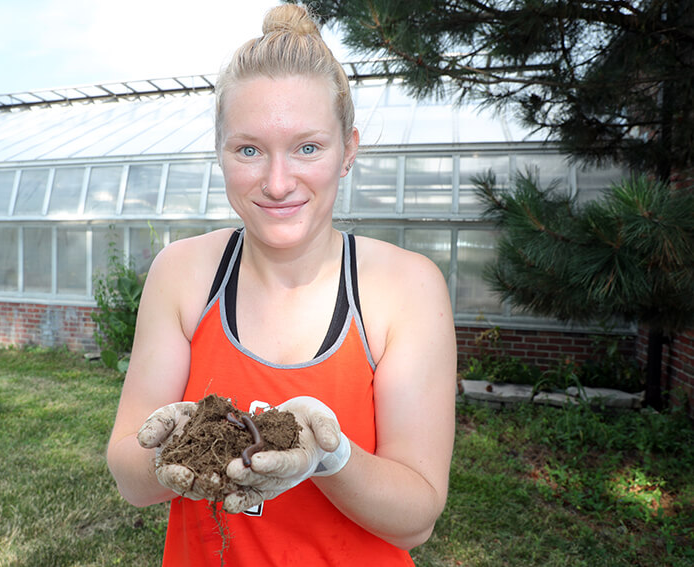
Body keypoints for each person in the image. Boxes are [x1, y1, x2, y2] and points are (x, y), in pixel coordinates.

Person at [106, 4, 456, 565]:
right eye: (249, 150)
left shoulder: (405, 289)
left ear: (349, 151)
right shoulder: (183, 274)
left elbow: (415, 520)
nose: (276, 182)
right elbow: (130, 478)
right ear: (220, 153)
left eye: (307, 147)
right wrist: (169, 451)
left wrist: (328, 456)